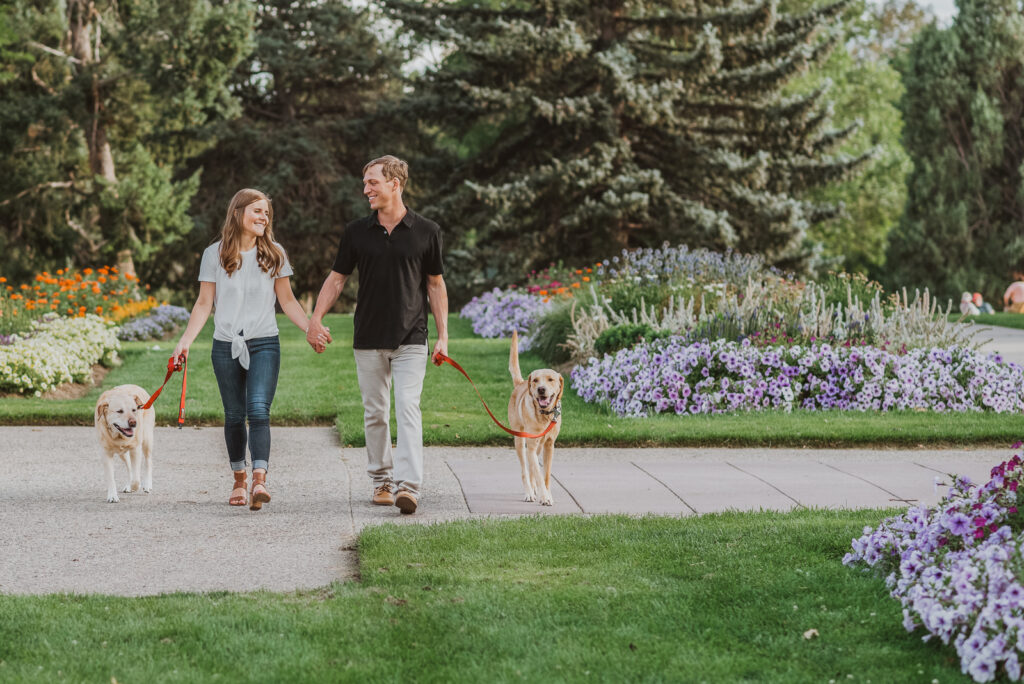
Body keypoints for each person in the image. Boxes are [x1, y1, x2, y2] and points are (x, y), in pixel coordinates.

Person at [306, 155, 448, 515]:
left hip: (411, 338)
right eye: (365, 182)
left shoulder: (426, 231)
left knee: (408, 408)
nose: (365, 188)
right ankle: (382, 480)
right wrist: (316, 318)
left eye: (372, 182)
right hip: (368, 337)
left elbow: (435, 285)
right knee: (375, 413)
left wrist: (443, 336)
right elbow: (337, 278)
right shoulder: (356, 231)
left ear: (394, 184)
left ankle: (409, 486)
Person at [172, 188, 309, 510]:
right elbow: (205, 303)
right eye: (257, 211)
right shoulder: (215, 254)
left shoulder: (274, 253)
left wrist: (311, 329)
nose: (263, 217)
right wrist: (185, 342)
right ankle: (239, 479)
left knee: (259, 409)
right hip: (225, 344)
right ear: (238, 213)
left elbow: (287, 301)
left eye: (266, 213)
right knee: (234, 414)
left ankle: (260, 479)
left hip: (264, 342)